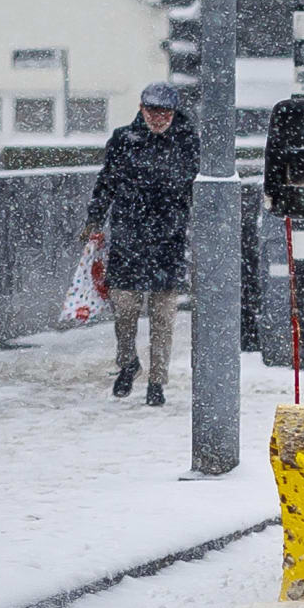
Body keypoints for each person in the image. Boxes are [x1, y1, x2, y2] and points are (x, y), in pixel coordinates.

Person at [85, 82, 197, 410]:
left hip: (169, 240)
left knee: (163, 316)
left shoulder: (187, 141)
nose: (158, 119)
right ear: (141, 108)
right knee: (125, 309)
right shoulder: (123, 140)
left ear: (174, 114)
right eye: (152, 111)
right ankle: (128, 362)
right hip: (128, 237)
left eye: (164, 113)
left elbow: (196, 186)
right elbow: (105, 182)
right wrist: (94, 221)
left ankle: (157, 381)